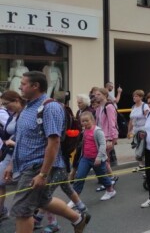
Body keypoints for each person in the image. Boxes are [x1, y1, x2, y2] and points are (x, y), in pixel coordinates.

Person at [4, 71, 90, 232]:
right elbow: (22, 139)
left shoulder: (50, 107)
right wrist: (11, 163)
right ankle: (78, 219)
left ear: (35, 86)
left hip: (37, 166)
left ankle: (78, 218)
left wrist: (43, 174)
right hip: (25, 165)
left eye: (23, 84)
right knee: (43, 200)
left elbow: (54, 142)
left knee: (22, 210)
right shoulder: (27, 107)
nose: (20, 87)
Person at [72, 112, 116, 201]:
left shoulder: (97, 131)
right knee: (79, 177)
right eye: (83, 121)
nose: (84, 123)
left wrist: (99, 158)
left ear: (92, 120)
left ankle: (110, 190)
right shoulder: (84, 131)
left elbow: (103, 145)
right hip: (85, 158)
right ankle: (75, 199)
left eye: (87, 121)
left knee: (101, 176)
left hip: (97, 159)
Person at [0, 90, 24, 220]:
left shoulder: (25, 114)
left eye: (6, 103)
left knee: (32, 190)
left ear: (16, 100)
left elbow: (24, 137)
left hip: (22, 154)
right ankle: (2, 211)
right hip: (10, 153)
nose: (4, 106)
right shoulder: (12, 114)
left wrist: (13, 142)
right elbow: (6, 133)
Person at [94, 88, 119, 191]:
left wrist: (110, 139)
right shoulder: (99, 108)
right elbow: (97, 123)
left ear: (105, 95)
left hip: (107, 137)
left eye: (98, 94)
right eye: (95, 95)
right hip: (100, 136)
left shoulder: (109, 107)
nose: (96, 96)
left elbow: (112, 123)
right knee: (105, 159)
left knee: (102, 158)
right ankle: (111, 178)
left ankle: (108, 181)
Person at [129, 90, 150, 172]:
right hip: (135, 130)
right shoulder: (133, 107)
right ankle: (141, 165)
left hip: (143, 129)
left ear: (141, 97)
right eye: (134, 96)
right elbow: (131, 120)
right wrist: (129, 131)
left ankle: (146, 164)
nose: (134, 97)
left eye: (136, 96)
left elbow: (148, 118)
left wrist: (146, 130)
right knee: (137, 147)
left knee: (143, 147)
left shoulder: (145, 106)